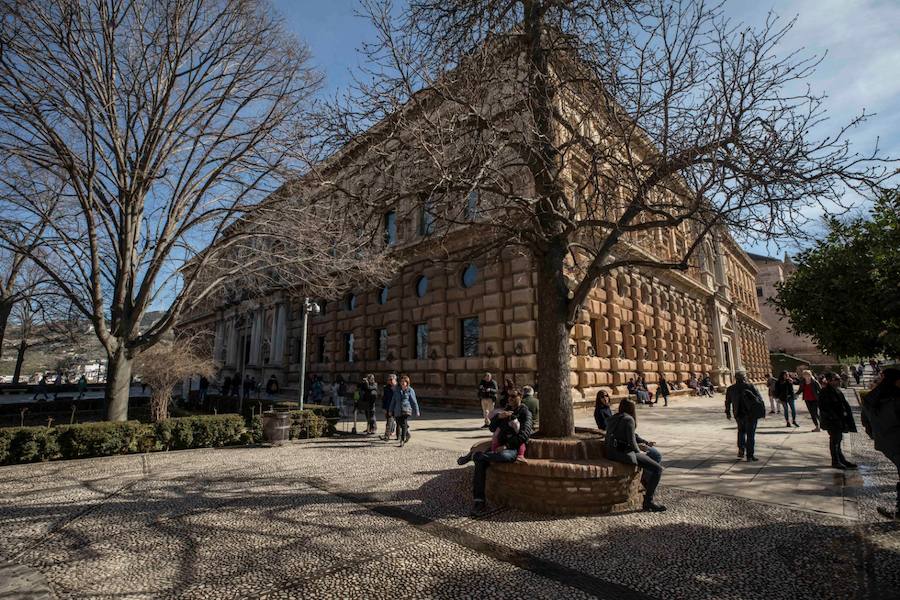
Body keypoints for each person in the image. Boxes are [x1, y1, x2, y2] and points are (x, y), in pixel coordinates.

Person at [457, 389, 533, 513]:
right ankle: (479, 501)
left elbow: (524, 435)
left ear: (521, 396)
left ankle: (474, 455)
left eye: (513, 396)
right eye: (508, 396)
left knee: (500, 455)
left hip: (512, 448)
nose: (510, 399)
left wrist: (506, 445)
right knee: (480, 463)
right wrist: (498, 417)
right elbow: (492, 429)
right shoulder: (505, 409)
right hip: (496, 446)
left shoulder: (525, 413)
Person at [605, 398, 666, 512]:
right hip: (623, 454)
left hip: (611, 452)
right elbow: (632, 443)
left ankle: (647, 484)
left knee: (651, 460)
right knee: (658, 469)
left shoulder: (615, 418)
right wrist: (640, 451)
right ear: (631, 409)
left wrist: (643, 444)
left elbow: (629, 437)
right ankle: (648, 502)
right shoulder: (629, 419)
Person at [861, 368, 900, 519]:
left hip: (887, 443)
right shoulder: (895, 399)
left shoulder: (872, 398)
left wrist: (878, 436)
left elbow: (866, 423)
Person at [819, 372, 858, 470]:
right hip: (832, 421)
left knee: (838, 440)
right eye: (836, 379)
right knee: (835, 440)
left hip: (839, 420)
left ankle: (841, 459)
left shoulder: (836, 390)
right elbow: (825, 408)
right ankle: (835, 461)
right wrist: (835, 418)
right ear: (830, 380)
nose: (839, 380)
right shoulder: (825, 392)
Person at [725, 371, 765, 461]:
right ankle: (750, 455)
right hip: (751, 414)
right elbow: (759, 399)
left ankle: (741, 449)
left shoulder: (731, 388)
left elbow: (727, 402)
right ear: (744, 378)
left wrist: (728, 412)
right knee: (750, 434)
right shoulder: (750, 386)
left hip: (738, 413)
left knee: (741, 431)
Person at [388, 374, 420, 447]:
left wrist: (417, 410)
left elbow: (414, 401)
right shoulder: (397, 390)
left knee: (404, 423)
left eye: (404, 381)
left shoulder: (410, 390)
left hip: (406, 409)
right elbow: (393, 401)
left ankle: (402, 440)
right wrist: (390, 410)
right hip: (398, 410)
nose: (402, 383)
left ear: (407, 382)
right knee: (399, 422)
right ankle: (407, 433)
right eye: (401, 381)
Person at [381, 373, 398, 441]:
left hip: (397, 407)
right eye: (388, 380)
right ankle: (386, 436)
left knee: (399, 423)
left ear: (395, 379)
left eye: (391, 379)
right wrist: (384, 408)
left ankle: (399, 436)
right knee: (389, 422)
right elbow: (384, 399)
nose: (389, 381)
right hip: (389, 407)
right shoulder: (386, 388)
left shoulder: (399, 387)